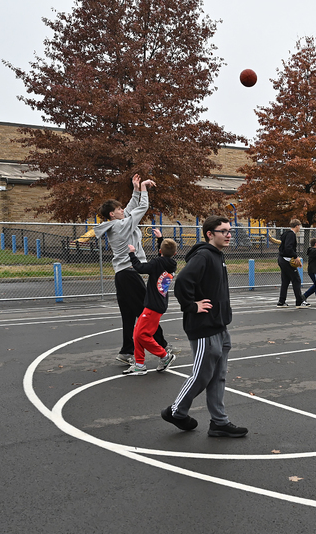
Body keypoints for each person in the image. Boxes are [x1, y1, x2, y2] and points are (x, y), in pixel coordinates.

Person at [161, 215, 247, 438]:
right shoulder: (203, 256)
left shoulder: (217, 255)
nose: (229, 235)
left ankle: (219, 422)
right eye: (223, 231)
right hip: (204, 327)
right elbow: (182, 282)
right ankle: (176, 412)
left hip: (219, 326)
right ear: (210, 234)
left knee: (218, 377)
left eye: (230, 231)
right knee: (201, 376)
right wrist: (192, 306)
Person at [94, 174, 167, 366]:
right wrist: (143, 189)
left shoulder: (117, 222)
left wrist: (135, 190)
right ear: (112, 214)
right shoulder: (121, 225)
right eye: (119, 209)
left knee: (128, 315)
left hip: (122, 275)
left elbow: (130, 209)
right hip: (129, 274)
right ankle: (163, 346)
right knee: (146, 311)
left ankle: (126, 351)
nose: (122, 210)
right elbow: (141, 208)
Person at [124, 230, 178, 375]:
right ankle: (139, 364)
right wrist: (160, 239)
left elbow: (141, 268)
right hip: (158, 303)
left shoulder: (157, 263)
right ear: (175, 253)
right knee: (137, 333)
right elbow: (163, 255)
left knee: (142, 335)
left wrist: (132, 254)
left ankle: (164, 356)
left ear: (160, 251)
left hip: (153, 305)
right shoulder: (171, 264)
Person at [274, 219, 307, 308]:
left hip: (282, 259)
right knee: (296, 280)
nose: (300, 228)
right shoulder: (291, 235)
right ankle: (299, 301)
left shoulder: (286, 234)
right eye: (299, 226)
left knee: (285, 281)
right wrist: (296, 257)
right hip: (286, 260)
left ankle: (281, 301)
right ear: (297, 226)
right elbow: (288, 248)